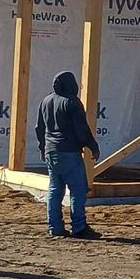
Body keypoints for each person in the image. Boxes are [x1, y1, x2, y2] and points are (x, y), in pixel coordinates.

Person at [35, 71, 101, 239]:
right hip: (69, 151)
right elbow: (81, 129)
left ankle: (54, 226)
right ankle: (79, 227)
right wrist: (92, 146)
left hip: (51, 151)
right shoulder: (72, 102)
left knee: (55, 190)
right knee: (78, 190)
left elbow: (39, 128)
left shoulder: (45, 101)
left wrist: (42, 147)